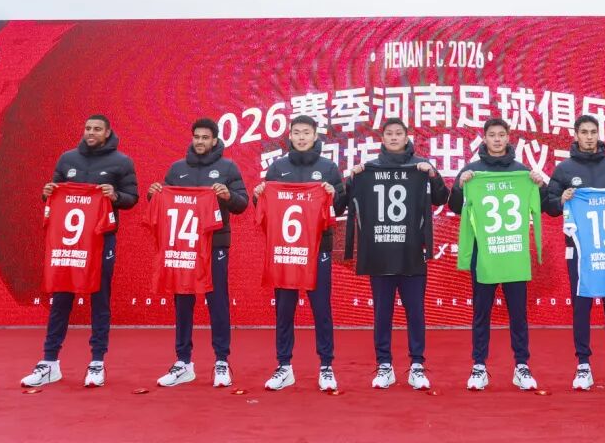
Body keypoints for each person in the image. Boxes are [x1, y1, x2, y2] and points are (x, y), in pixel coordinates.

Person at [20, 114, 139, 388]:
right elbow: (52, 193)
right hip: (69, 243)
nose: (91, 133)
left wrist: (115, 196)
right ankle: (49, 362)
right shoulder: (67, 159)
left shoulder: (122, 162)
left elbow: (132, 198)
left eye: (97, 129)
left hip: (101, 240)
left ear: (107, 133)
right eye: (87, 128)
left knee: (100, 299)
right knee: (61, 298)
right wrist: (47, 191)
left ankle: (97, 362)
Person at [448, 117, 550, 391]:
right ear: (484, 138)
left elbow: (544, 205)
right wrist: (460, 186)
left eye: (501, 135)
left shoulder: (521, 171)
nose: (496, 139)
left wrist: (540, 185)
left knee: (518, 312)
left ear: (508, 138)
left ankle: (522, 366)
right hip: (484, 254)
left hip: (513, 251)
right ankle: (479, 366)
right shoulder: (472, 171)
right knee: (481, 312)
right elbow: (456, 207)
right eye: (492, 135)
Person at [347, 117, 449, 390]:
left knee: (415, 312)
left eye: (398, 133)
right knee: (382, 313)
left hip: (412, 251)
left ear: (407, 137)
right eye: (389, 133)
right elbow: (345, 201)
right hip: (380, 253)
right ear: (382, 139)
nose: (393, 137)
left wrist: (433, 175)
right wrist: (352, 178)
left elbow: (442, 198)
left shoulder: (420, 166)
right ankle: (384, 365)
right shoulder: (369, 168)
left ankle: (417, 365)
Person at [149, 118, 249, 388]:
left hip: (214, 244)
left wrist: (228, 195)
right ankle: (183, 362)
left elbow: (242, 203)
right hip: (183, 246)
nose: (200, 141)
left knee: (217, 302)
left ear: (215, 140)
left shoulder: (228, 167)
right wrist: (154, 193)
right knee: (182, 301)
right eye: (197, 137)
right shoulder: (177, 169)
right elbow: (162, 203)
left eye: (205, 137)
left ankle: (221, 361)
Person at [545, 114, 605, 392]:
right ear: (575, 135)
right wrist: (561, 199)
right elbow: (549, 205)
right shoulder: (564, 169)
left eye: (593, 132)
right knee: (581, 304)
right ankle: (583, 364)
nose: (589, 137)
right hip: (579, 250)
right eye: (584, 132)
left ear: (598, 134)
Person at [253, 115, 344, 391]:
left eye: (306, 132)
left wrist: (333, 194)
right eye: (297, 132)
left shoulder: (328, 168)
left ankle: (326, 366)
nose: (301, 137)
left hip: (318, 249)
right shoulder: (277, 168)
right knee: (284, 309)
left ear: (315, 136)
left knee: (321, 309)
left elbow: (340, 207)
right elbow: (266, 210)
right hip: (286, 251)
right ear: (290, 136)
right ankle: (284, 366)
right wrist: (259, 195)